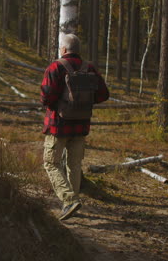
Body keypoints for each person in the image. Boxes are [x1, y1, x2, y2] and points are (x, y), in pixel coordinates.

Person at [40, 34, 109, 221]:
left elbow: (46, 97)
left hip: (58, 126)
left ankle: (69, 200)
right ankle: (71, 202)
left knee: (51, 163)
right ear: (77, 49)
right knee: (74, 165)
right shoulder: (90, 68)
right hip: (81, 125)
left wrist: (59, 104)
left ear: (63, 49)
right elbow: (103, 95)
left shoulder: (55, 67)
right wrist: (84, 102)